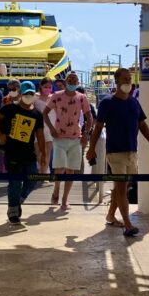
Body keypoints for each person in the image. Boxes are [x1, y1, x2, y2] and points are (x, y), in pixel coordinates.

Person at [87, 67, 149, 237]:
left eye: (129, 79)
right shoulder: (107, 103)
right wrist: (92, 148)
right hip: (115, 152)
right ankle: (128, 224)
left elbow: (142, 124)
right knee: (122, 187)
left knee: (122, 186)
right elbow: (98, 127)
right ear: (116, 81)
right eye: (124, 79)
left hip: (132, 151)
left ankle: (111, 215)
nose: (127, 82)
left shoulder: (134, 102)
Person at [0, 81, 47, 225]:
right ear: (21, 94)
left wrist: (44, 155)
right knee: (15, 182)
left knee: (32, 180)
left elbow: (40, 136)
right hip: (12, 152)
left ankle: (18, 202)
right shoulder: (10, 108)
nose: (29, 96)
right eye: (26, 93)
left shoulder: (37, 114)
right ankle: (13, 211)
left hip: (29, 153)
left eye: (31, 93)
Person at [44, 72, 92, 211]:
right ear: (66, 83)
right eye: (69, 81)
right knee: (59, 168)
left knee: (71, 170)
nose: (72, 84)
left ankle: (65, 199)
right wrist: (52, 128)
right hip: (59, 137)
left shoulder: (82, 97)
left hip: (75, 138)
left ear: (77, 83)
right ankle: (56, 190)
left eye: (74, 82)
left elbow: (89, 117)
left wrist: (86, 134)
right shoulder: (57, 96)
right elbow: (45, 113)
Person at [34, 78, 55, 174]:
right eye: (45, 87)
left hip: (50, 129)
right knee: (39, 153)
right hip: (38, 129)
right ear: (40, 87)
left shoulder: (54, 97)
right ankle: (42, 173)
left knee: (48, 153)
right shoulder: (35, 97)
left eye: (49, 87)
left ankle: (44, 174)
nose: (47, 88)